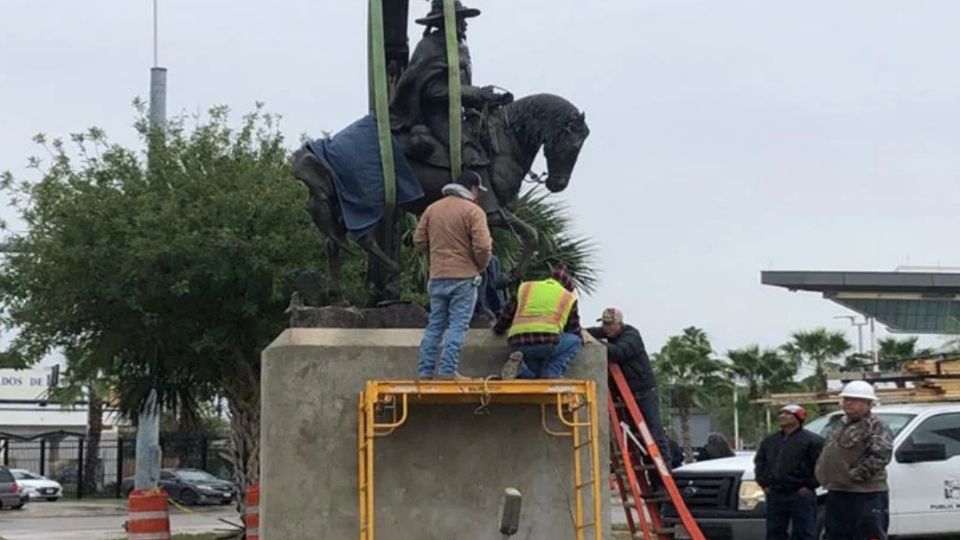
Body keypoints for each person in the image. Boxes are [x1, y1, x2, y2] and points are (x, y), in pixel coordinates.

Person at [390, 0, 511, 166]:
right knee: (467, 147)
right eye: (461, 19)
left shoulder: (460, 48)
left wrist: (484, 98)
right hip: (436, 114)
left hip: (462, 112)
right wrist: (473, 93)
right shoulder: (429, 46)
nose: (466, 24)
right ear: (448, 21)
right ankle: (468, 183)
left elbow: (464, 85)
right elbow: (430, 90)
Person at [414, 171, 492, 379]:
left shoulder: (432, 209)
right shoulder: (473, 211)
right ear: (473, 189)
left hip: (437, 277)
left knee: (435, 325)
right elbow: (483, 246)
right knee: (457, 325)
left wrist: (438, 253)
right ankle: (448, 371)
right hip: (464, 278)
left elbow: (419, 240)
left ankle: (425, 371)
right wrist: (480, 265)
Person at [587, 309, 671, 466]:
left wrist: (596, 343)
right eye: (604, 324)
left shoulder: (631, 336)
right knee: (638, 437)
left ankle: (664, 474)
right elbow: (590, 332)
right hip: (628, 395)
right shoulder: (610, 333)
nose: (606, 328)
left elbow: (619, 353)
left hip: (644, 392)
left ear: (619, 324)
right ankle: (653, 480)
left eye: (610, 325)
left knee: (653, 434)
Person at [816, 381, 893, 540]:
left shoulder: (876, 426)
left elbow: (881, 456)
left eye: (855, 399)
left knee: (868, 535)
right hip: (838, 491)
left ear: (868, 404)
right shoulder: (839, 424)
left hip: (866, 494)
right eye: (846, 399)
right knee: (836, 534)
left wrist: (855, 475)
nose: (848, 403)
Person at [493, 265, 582, 379]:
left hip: (517, 343)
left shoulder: (525, 287)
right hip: (547, 343)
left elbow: (506, 316)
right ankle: (552, 373)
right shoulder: (568, 297)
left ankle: (521, 369)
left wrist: (498, 329)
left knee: (534, 376)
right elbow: (574, 330)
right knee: (574, 341)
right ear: (567, 285)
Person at [755, 404, 823, 540]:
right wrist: (764, 484)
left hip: (800, 495)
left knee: (804, 532)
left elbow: (821, 465)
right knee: (774, 531)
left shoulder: (813, 441)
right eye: (781, 413)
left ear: (798, 417)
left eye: (787, 413)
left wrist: (810, 485)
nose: (782, 416)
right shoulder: (770, 441)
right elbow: (760, 462)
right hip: (775, 494)